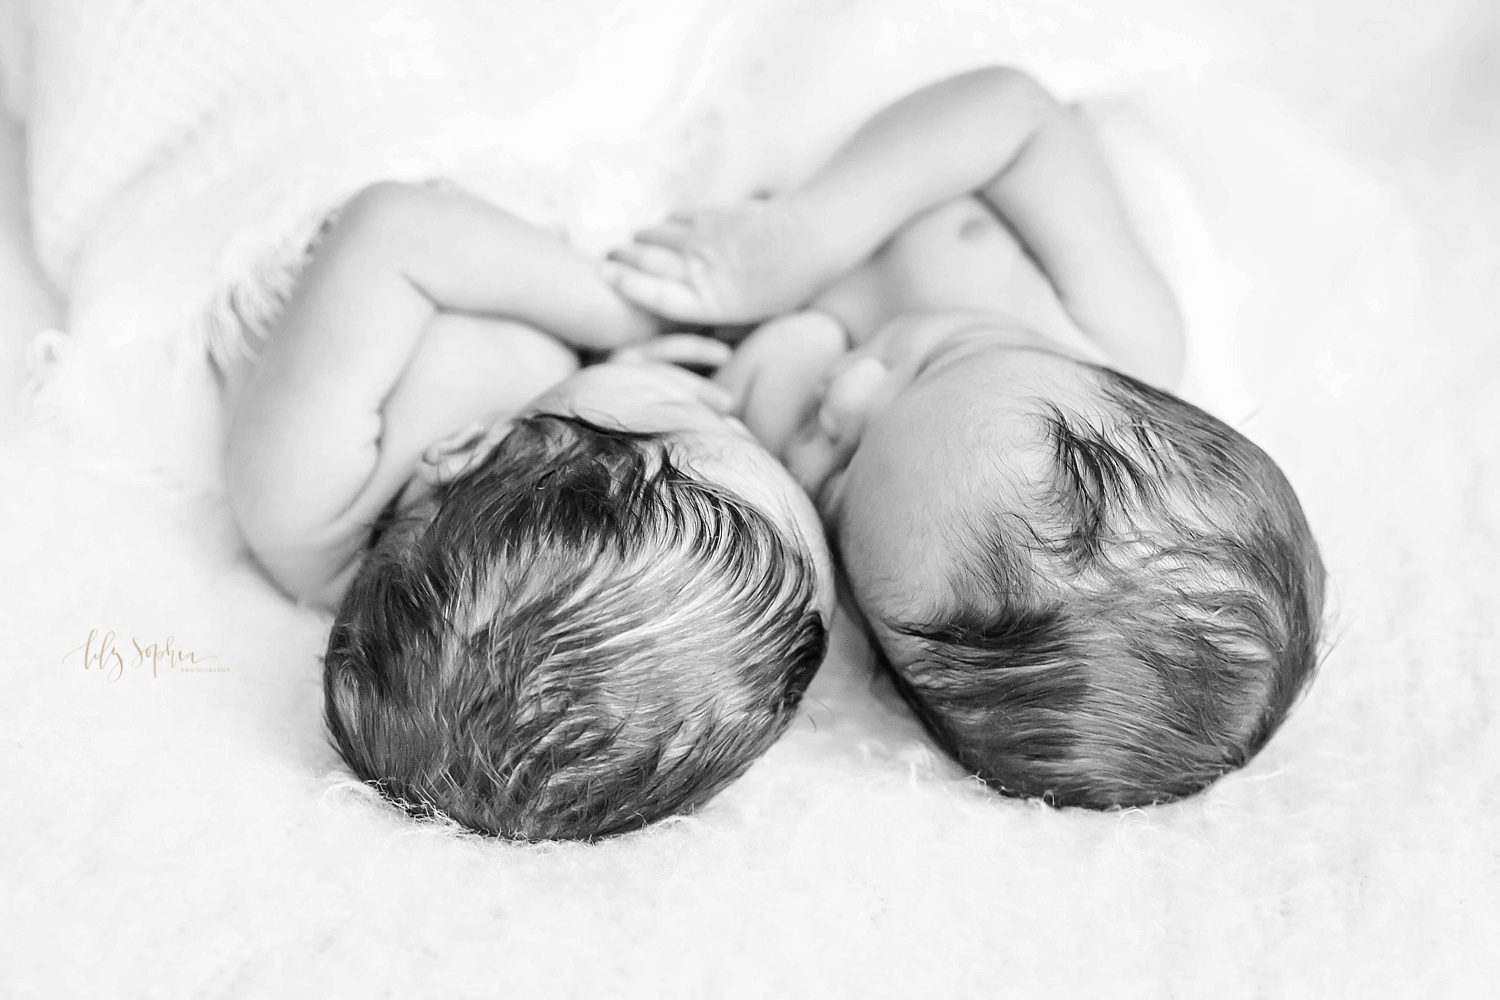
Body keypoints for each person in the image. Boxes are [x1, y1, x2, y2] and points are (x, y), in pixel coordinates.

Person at [604, 67, 1326, 808]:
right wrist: (814, 229)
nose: (849, 390)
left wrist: (652, 378)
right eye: (934, 361)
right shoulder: (1114, 326)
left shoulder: (823, 501)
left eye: (839, 472)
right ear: (1090, 369)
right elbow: (1018, 116)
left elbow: (710, 377)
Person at [224, 180, 834, 840]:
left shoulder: (311, 505)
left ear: (468, 444)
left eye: (690, 412)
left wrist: (632, 319)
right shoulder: (551, 441)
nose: (723, 400)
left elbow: (392, 230)